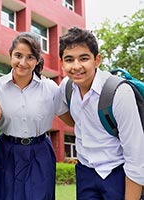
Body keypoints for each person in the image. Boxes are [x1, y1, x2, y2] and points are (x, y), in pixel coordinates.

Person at [58, 27, 144, 200]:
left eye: (84, 58)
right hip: (85, 173)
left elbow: (136, 156)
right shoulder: (66, 87)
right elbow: (66, 115)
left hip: (118, 172)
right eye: (69, 59)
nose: (76, 66)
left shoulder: (119, 93)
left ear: (97, 60)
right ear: (62, 63)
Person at [0, 32, 73, 200]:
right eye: (18, 55)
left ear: (37, 60)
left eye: (30, 57)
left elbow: (70, 120)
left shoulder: (49, 87)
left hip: (40, 151)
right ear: (11, 55)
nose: (23, 62)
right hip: (7, 151)